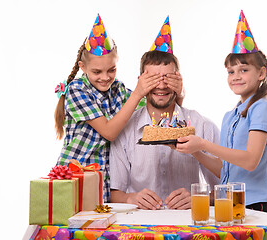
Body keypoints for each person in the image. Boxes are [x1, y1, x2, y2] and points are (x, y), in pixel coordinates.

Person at [54, 14, 181, 202]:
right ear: (83, 67)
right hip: (75, 178)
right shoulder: (77, 90)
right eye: (97, 71)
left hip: (103, 182)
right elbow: (109, 132)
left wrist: (175, 90)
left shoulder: (119, 91)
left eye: (111, 70)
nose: (105, 77)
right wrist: (138, 92)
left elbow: (155, 109)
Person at [109, 16, 219, 210]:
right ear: (141, 81)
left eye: (168, 78)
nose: (160, 85)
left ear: (179, 80)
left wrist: (199, 197)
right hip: (139, 225)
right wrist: (130, 198)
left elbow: (225, 187)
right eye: (152, 79)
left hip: (189, 226)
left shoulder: (202, 126)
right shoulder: (125, 129)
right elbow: (114, 192)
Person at [175, 11, 267, 213]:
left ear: (261, 73)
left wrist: (204, 143)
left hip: (254, 204)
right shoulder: (230, 116)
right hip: (228, 202)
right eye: (231, 72)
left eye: (243, 70)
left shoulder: (262, 109)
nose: (236, 76)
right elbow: (224, 170)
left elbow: (250, 161)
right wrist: (195, 150)